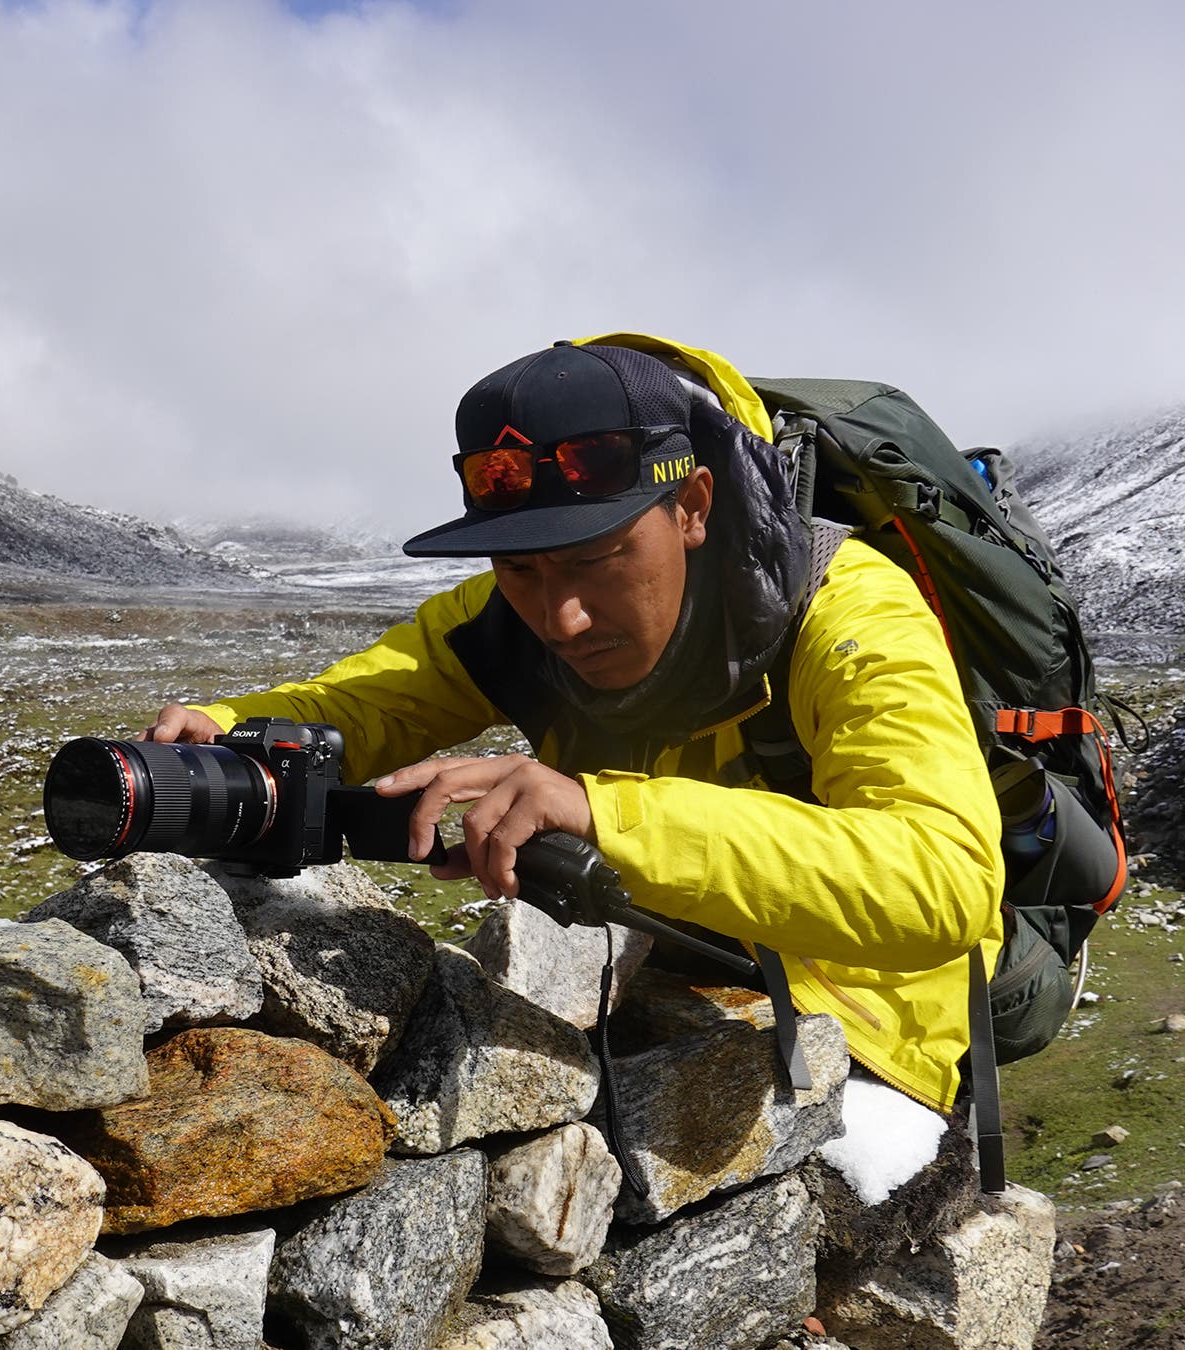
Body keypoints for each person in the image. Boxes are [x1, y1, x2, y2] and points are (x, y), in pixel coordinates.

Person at [141, 338, 1004, 1181]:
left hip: (871, 1020)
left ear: (693, 506)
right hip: (659, 967)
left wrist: (603, 812)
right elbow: (362, 705)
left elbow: (942, 883)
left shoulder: (852, 611)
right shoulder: (499, 621)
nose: (562, 619)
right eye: (519, 568)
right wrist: (223, 733)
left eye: (598, 558)